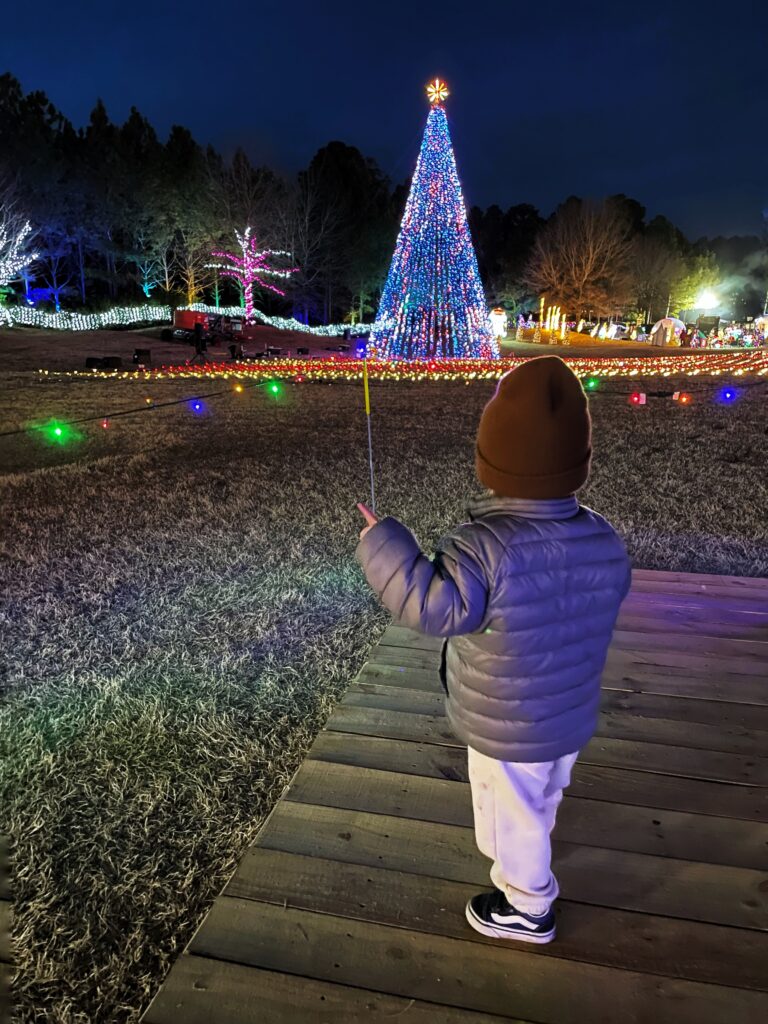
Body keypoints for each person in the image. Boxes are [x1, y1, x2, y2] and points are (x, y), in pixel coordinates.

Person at [355, 356, 631, 944]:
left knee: (511, 812)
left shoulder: (482, 547)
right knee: (540, 795)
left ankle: (529, 906)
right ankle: (531, 854)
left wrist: (384, 543)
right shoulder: (604, 538)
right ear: (576, 464)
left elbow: (434, 606)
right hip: (567, 715)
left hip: (509, 725)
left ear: (492, 462)